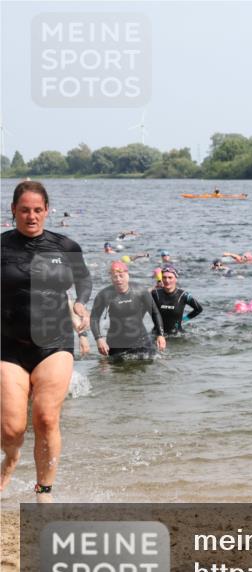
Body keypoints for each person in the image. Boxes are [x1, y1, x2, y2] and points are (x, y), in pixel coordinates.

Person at [1, 181, 92, 501]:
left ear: (47, 211)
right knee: (12, 429)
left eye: (37, 210)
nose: (31, 216)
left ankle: (44, 490)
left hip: (54, 343)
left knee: (45, 417)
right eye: (24, 210)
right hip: (9, 346)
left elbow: (83, 282)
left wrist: (81, 303)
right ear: (13, 210)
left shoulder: (65, 247)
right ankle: (11, 458)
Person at [90, 261, 165, 361]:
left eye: (121, 276)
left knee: (151, 370)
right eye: (115, 277)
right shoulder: (104, 295)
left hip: (141, 340)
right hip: (116, 342)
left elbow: (154, 312)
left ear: (127, 275)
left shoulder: (140, 291)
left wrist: (160, 335)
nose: (118, 279)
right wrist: (99, 339)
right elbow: (94, 318)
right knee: (115, 373)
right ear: (111, 278)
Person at [151, 265, 203, 335]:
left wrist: (184, 320)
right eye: (164, 277)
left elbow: (199, 309)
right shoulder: (155, 293)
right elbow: (141, 303)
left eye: (170, 277)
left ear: (176, 279)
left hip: (176, 335)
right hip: (157, 334)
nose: (167, 280)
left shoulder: (183, 295)